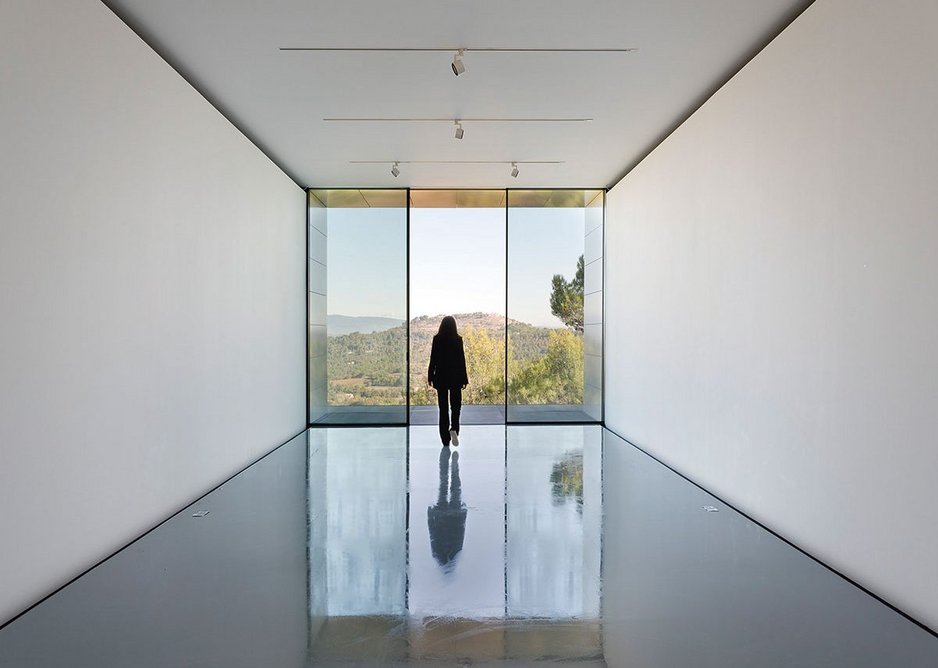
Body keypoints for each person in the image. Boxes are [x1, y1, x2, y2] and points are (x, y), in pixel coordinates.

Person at [427, 315, 469, 447]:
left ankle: (445, 439)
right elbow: (461, 360)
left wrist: (430, 376)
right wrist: (464, 378)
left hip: (441, 378)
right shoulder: (458, 340)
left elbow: (433, 359)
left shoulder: (437, 339)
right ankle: (454, 429)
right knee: (456, 407)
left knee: (443, 408)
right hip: (455, 377)